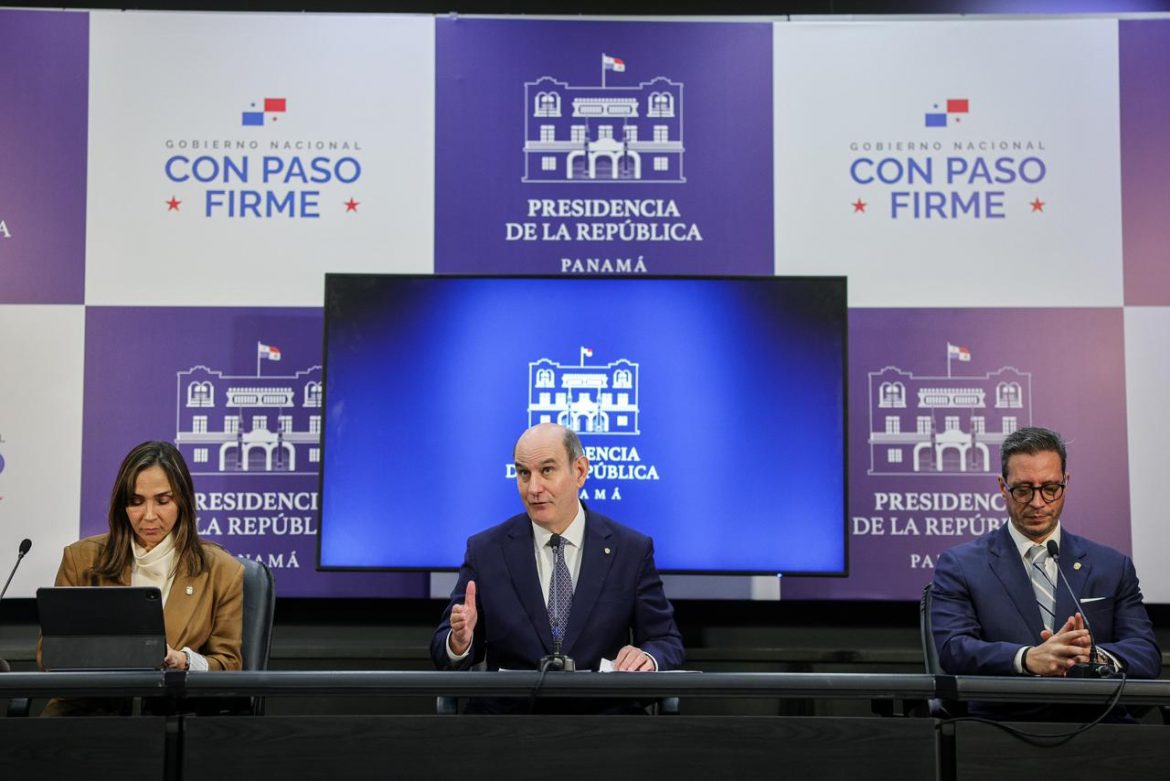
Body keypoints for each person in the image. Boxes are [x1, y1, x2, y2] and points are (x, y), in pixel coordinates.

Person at [431, 423, 684, 711]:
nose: (534, 488)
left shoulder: (630, 550)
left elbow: (666, 641)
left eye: (547, 470)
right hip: (509, 724)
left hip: (603, 721)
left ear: (580, 471)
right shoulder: (486, 551)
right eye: (523, 473)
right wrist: (460, 642)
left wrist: (647, 658)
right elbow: (444, 649)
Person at [931, 426, 1160, 720]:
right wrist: (1027, 658)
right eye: (1023, 490)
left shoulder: (1112, 566)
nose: (1038, 503)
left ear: (1066, 483)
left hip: (1098, 725)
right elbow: (954, 649)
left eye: (1050, 488)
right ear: (1002, 487)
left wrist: (1093, 657)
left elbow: (1145, 653)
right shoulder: (961, 565)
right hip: (1001, 727)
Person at [39, 441, 244, 715]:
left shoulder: (222, 570)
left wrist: (184, 660)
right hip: (87, 711)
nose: (148, 516)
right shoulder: (81, 559)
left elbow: (229, 666)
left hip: (171, 714)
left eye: (163, 501)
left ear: (183, 501)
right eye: (136, 502)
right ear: (122, 505)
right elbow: (49, 656)